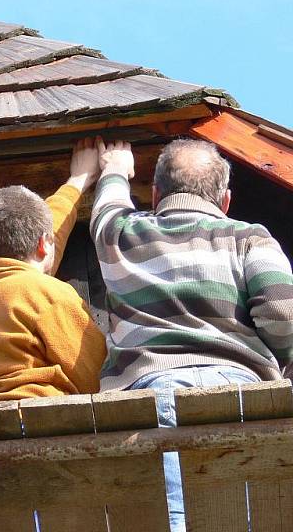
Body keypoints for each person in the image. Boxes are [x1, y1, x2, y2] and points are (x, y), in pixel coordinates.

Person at [91, 137, 293, 531]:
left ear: (155, 194)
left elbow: (106, 207)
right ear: (226, 200)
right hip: (237, 392)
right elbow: (284, 313)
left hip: (147, 397)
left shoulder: (121, 233)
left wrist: (114, 166)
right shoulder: (248, 236)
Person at [0, 138, 107, 434]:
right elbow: (93, 376)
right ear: (43, 243)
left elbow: (38, 259)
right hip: (38, 431)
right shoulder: (48, 296)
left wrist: (76, 183)